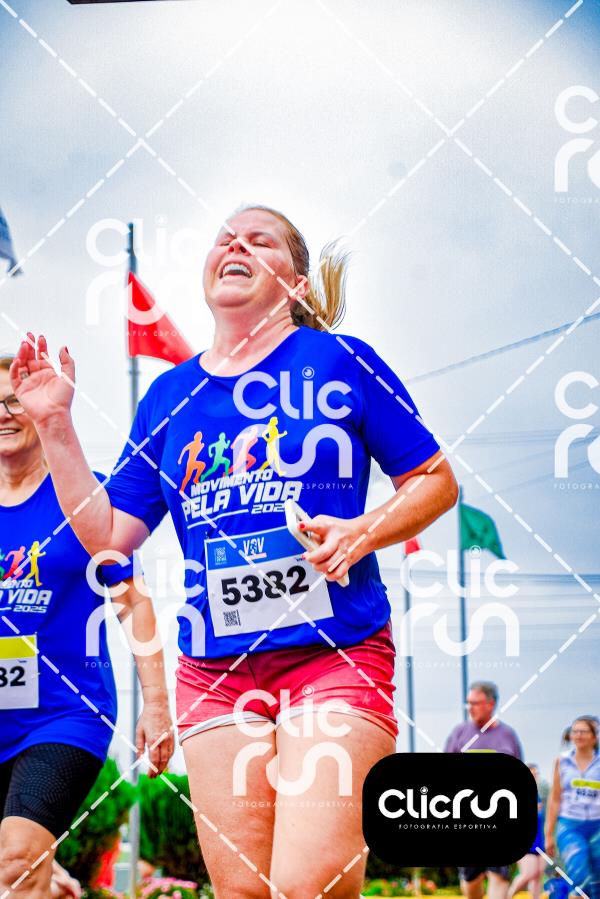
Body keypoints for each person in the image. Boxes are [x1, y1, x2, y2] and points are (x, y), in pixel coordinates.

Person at [12, 204, 458, 898]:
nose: (236, 245)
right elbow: (108, 537)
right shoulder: (169, 396)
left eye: (259, 240)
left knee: (306, 886)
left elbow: (435, 480)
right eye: (225, 238)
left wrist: (362, 530)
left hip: (334, 654)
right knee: (243, 892)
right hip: (216, 673)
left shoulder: (341, 361)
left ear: (298, 284)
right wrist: (55, 426)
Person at [0, 356, 174, 899]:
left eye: (13, 401)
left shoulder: (81, 498)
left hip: (63, 716)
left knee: (17, 856)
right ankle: (52, 883)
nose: (3, 414)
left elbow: (132, 601)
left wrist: (156, 703)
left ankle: (37, 874)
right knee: (19, 869)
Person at [444, 681, 523, 899]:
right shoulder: (460, 733)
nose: (470, 708)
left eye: (475, 703)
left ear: (491, 704)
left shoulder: (508, 736)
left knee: (499, 874)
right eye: (468, 703)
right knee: (471, 880)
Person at [545, 716, 600, 899]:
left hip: (597, 825)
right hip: (570, 825)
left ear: (594, 737)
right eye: (575, 731)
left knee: (597, 880)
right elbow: (555, 798)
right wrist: (548, 834)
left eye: (583, 731)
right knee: (579, 873)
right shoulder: (562, 761)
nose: (578, 735)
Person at [508, 763, 546, 899]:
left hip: (540, 842)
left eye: (536, 775)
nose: (534, 777)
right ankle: (507, 896)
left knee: (538, 875)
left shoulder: (538, 795)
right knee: (529, 873)